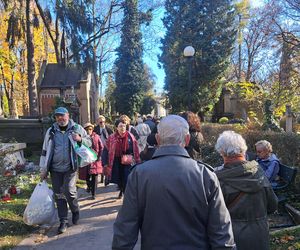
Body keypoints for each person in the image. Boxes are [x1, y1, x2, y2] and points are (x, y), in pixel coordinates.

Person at [112, 115, 236, 249]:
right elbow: (221, 232)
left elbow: (125, 230)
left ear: (158, 140)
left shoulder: (139, 175)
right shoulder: (205, 175)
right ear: (187, 139)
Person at [215, 131, 278, 250]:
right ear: (243, 150)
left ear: (222, 152)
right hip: (259, 236)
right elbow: (272, 206)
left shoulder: (217, 180)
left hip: (230, 238)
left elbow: (212, 216)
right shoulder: (259, 174)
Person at [39, 107, 92, 234]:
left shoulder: (77, 128)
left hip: (70, 167)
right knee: (59, 194)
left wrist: (80, 139)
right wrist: (43, 169)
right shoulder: (51, 131)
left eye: (62, 116)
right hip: (55, 168)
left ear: (68, 116)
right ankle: (63, 220)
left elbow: (89, 142)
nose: (60, 118)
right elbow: (45, 150)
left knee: (69, 191)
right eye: (57, 116)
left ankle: (75, 209)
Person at [103, 119, 140, 199]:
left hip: (127, 160)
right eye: (120, 126)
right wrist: (105, 162)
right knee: (118, 178)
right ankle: (121, 189)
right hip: (116, 161)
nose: (123, 128)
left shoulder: (130, 136)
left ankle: (126, 195)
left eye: (124, 126)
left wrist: (136, 159)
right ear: (117, 128)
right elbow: (105, 149)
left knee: (127, 177)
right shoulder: (112, 138)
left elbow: (135, 148)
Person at [79, 123, 104, 199]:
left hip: (94, 160)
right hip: (86, 160)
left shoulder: (96, 137)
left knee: (94, 177)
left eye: (90, 129)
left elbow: (101, 147)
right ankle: (89, 186)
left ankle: (94, 193)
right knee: (86, 176)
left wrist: (99, 156)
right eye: (86, 129)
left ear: (92, 129)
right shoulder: (82, 138)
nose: (88, 131)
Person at [93, 115, 113, 184]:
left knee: (107, 163)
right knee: (101, 163)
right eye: (100, 122)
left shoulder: (108, 128)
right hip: (99, 148)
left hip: (107, 148)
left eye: (103, 122)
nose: (102, 123)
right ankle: (102, 176)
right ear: (98, 122)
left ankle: (107, 177)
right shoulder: (95, 129)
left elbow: (112, 136)